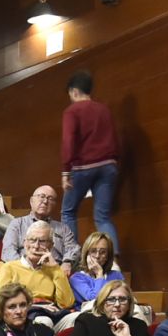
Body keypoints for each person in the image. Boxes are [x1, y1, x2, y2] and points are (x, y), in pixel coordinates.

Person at [60, 70, 122, 253]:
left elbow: (68, 141)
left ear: (74, 91)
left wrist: (65, 170)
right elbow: (114, 138)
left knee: (68, 212)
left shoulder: (72, 111)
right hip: (109, 166)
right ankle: (113, 258)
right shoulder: (104, 109)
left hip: (83, 167)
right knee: (103, 217)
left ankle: (73, 254)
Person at [0, 221, 77, 323]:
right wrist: (35, 307)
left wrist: (55, 269)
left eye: (42, 241)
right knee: (44, 320)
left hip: (53, 314)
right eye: (32, 240)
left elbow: (67, 304)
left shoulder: (54, 270)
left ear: (51, 245)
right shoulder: (9, 268)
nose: (36, 246)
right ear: (25, 243)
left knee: (78, 318)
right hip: (24, 315)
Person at [1, 184, 80, 265]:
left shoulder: (63, 229)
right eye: (41, 196)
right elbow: (8, 251)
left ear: (54, 205)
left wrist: (67, 262)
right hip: (24, 270)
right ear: (31, 201)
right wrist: (23, 268)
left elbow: (74, 249)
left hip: (53, 270)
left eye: (50, 199)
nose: (45, 201)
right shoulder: (17, 224)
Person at [69, 230, 123, 307]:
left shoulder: (116, 275)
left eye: (103, 252)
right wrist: (99, 274)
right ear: (86, 254)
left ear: (107, 256)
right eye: (93, 251)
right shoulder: (77, 278)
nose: (97, 256)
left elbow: (123, 298)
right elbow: (95, 299)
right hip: (87, 315)